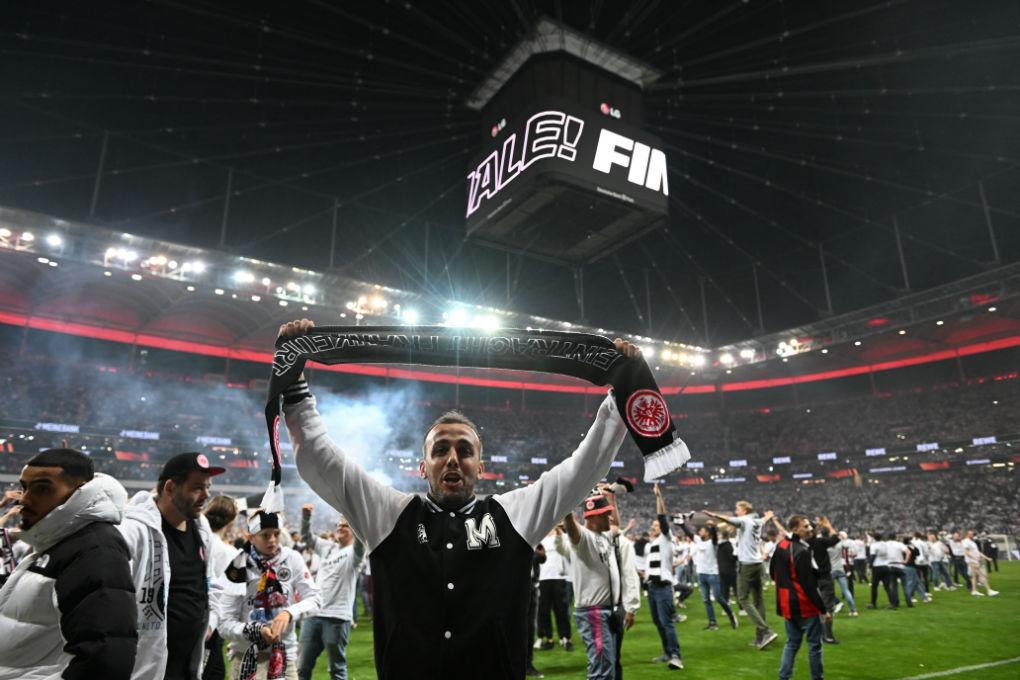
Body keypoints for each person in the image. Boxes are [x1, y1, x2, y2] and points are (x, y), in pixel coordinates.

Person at [280, 319, 641, 680]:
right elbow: (318, 457)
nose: (453, 459)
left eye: (464, 450)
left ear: (480, 467)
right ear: (424, 467)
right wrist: (293, 382)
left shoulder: (512, 515)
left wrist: (621, 394)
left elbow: (583, 468)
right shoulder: (390, 514)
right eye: (441, 450)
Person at [0, 448, 137, 680]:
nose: (25, 499)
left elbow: (106, 659)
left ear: (79, 491)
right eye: (24, 488)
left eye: (43, 488)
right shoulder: (59, 540)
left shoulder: (95, 550)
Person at [118, 452, 225, 680]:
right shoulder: (134, 530)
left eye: (207, 487)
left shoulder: (202, 528)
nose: (206, 495)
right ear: (170, 487)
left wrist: (210, 622)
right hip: (146, 664)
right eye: (197, 487)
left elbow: (210, 583)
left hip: (189, 662)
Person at [217, 510, 320, 680]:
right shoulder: (237, 565)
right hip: (246, 658)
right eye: (265, 535)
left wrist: (289, 613)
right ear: (251, 537)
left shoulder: (292, 558)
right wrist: (255, 630)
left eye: (276, 534)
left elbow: (315, 599)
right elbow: (224, 624)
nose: (272, 540)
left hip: (284, 656)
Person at [559, 493, 637, 679]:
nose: (609, 518)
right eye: (604, 514)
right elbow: (572, 528)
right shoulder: (584, 538)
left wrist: (611, 498)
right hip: (593, 612)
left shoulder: (604, 535)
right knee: (601, 670)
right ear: (592, 517)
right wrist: (566, 503)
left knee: (607, 666)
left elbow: (616, 525)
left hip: (605, 611)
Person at [297, 504, 365, 680]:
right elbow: (306, 536)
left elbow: (360, 542)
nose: (340, 528)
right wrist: (306, 517)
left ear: (354, 530)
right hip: (313, 614)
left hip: (337, 617)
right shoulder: (327, 547)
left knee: (336, 668)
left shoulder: (355, 553)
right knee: (302, 667)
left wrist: (356, 517)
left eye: (345, 526)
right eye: (339, 525)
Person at [705, 502, 778, 649]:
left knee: (743, 598)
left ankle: (766, 631)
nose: (735, 510)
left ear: (744, 510)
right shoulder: (757, 521)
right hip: (758, 564)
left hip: (748, 565)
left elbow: (728, 520)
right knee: (758, 600)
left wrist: (713, 514)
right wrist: (768, 516)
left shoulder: (744, 520)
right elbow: (763, 520)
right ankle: (760, 638)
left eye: (737, 508)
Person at [771, 515, 831, 680]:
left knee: (791, 643)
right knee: (814, 646)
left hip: (786, 603)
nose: (810, 528)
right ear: (795, 529)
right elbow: (809, 585)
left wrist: (786, 585)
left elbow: (772, 572)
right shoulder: (802, 551)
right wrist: (823, 609)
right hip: (804, 604)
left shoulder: (781, 545)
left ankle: (784, 677)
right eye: (805, 526)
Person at [675, 515, 737, 630]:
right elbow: (689, 533)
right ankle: (712, 623)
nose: (700, 532)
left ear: (708, 533)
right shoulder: (698, 540)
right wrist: (682, 524)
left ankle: (730, 614)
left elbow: (714, 536)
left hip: (712, 574)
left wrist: (712, 526)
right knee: (706, 600)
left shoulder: (713, 543)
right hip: (701, 574)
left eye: (702, 531)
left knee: (718, 598)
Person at [646, 483, 684, 669]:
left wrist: (658, 497)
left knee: (666, 622)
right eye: (653, 525)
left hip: (663, 587)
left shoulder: (666, 539)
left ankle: (676, 656)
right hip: (652, 588)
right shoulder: (651, 544)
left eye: (656, 525)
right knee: (658, 622)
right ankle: (667, 652)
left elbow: (662, 517)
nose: (654, 526)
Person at [205, 495, 241, 680]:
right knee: (213, 672)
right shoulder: (229, 552)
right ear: (231, 520)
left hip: (192, 614)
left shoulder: (197, 539)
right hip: (214, 619)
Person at [537, 526, 574, 651]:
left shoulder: (562, 536)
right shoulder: (540, 538)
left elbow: (568, 551)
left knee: (561, 610)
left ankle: (566, 638)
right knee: (544, 611)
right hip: (543, 578)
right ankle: (549, 639)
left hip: (559, 577)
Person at [867, 532, 899, 610]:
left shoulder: (874, 545)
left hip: (877, 567)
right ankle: (892, 603)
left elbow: (873, 556)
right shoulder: (885, 544)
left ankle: (873, 603)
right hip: (886, 565)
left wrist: (869, 566)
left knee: (874, 587)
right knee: (887, 586)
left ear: (874, 538)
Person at [962, 530, 998, 597]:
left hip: (975, 561)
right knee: (982, 576)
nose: (972, 535)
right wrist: (974, 558)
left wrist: (987, 558)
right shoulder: (965, 542)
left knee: (974, 577)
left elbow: (978, 552)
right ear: (967, 534)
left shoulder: (972, 542)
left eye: (972, 534)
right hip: (972, 562)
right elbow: (966, 552)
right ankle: (989, 591)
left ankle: (974, 591)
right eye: (971, 534)